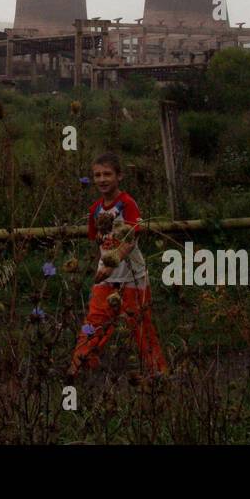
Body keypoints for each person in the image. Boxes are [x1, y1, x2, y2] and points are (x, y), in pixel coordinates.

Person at [67, 151, 168, 379]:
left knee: (141, 326)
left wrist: (113, 264)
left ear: (119, 176)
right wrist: (100, 268)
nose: (102, 179)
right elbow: (98, 241)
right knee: (93, 323)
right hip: (106, 279)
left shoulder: (127, 204)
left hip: (132, 277)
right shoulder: (95, 209)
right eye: (97, 175)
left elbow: (131, 239)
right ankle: (78, 367)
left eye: (107, 174)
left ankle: (158, 372)